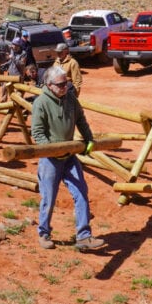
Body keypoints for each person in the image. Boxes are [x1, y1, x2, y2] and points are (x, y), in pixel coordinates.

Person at [31, 64, 106, 252]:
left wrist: (89, 139)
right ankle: (44, 233)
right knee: (49, 197)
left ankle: (84, 236)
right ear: (49, 85)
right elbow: (38, 133)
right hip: (50, 159)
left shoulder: (70, 98)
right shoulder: (41, 103)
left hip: (70, 156)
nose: (65, 87)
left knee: (81, 192)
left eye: (66, 83)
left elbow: (81, 119)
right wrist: (52, 150)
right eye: (61, 84)